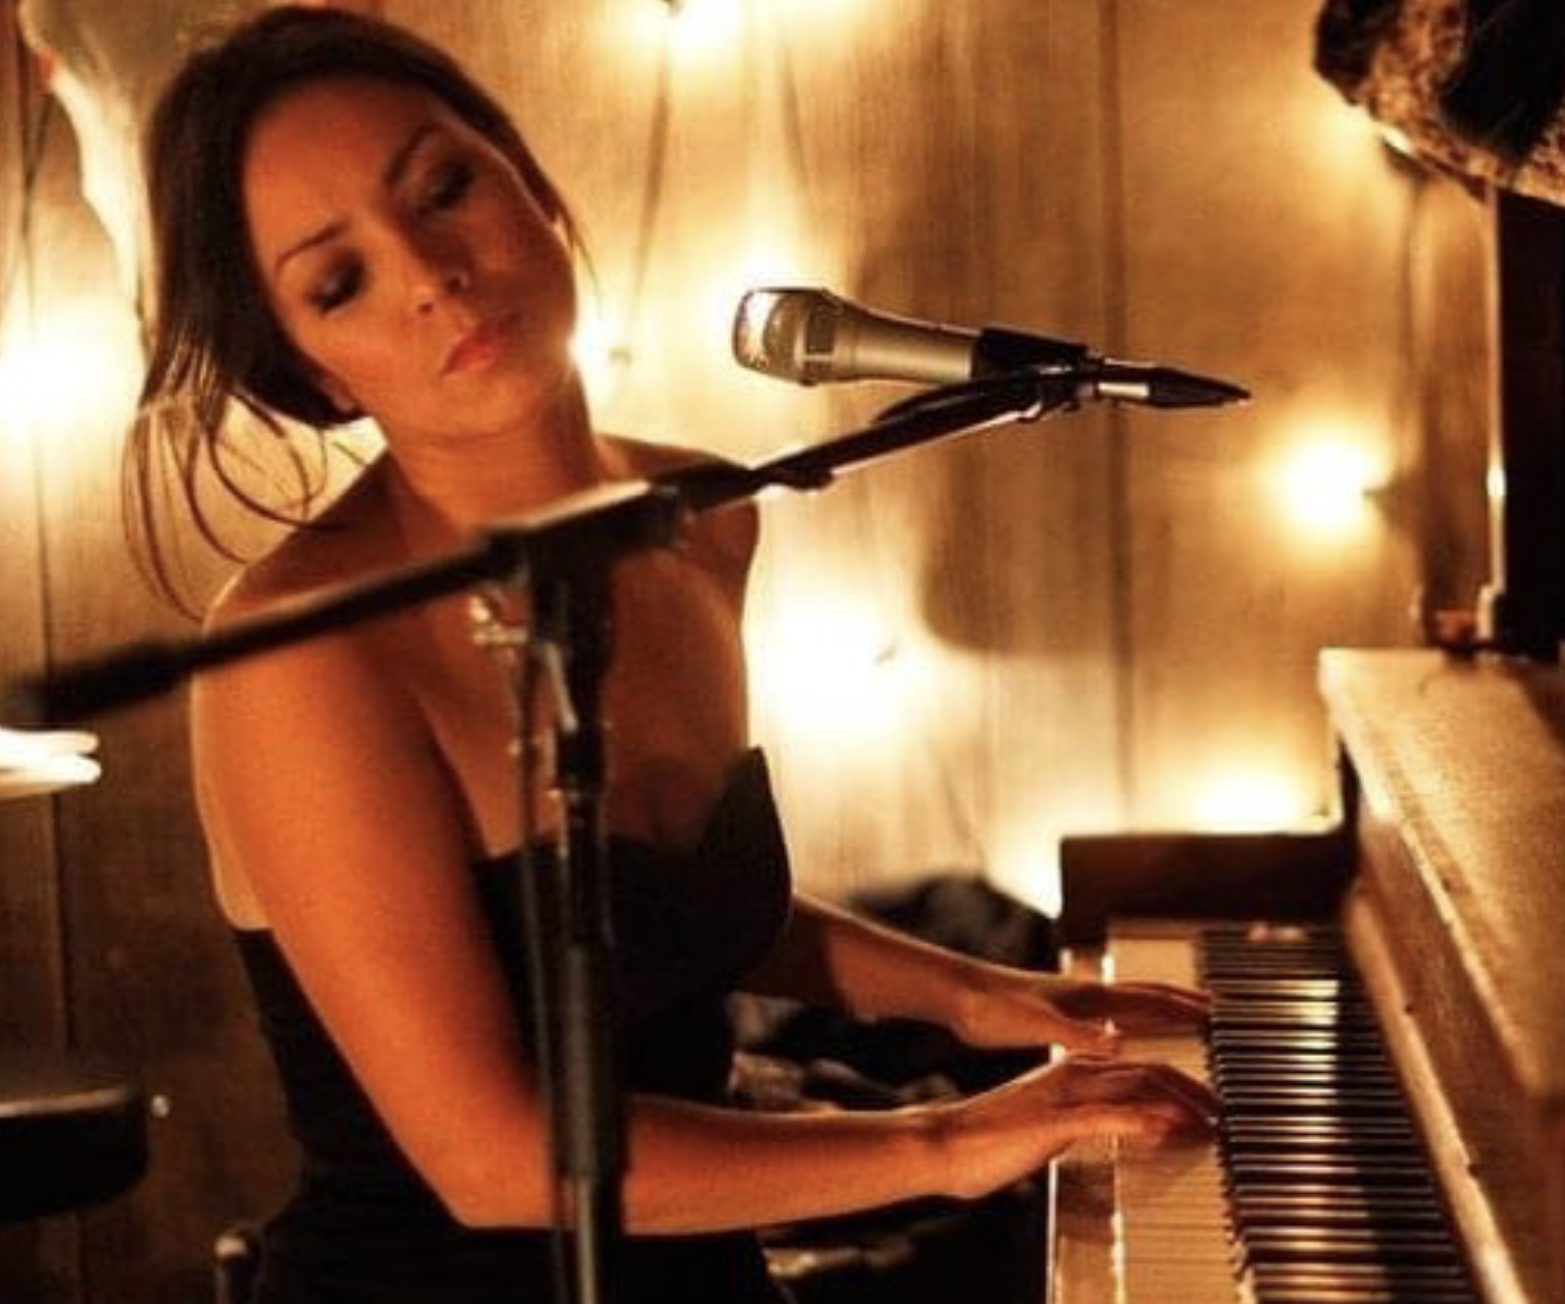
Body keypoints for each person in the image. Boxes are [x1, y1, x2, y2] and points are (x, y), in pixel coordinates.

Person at [126, 8, 1218, 1303]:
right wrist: (949, 1142)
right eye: (339, 281)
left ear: (532, 186)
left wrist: (987, 997)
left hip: (705, 1273)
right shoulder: (299, 655)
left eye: (444, 188)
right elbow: (492, 1158)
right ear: (317, 378)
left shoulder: (701, 516)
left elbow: (663, 908)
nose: (430, 273)